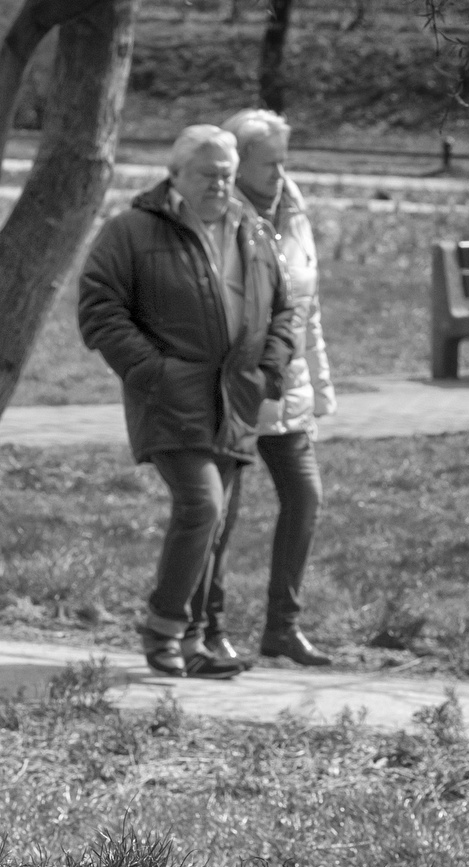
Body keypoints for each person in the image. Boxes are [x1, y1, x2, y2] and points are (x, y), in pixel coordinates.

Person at [78, 126, 295, 678]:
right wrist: (152, 371)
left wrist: (268, 369)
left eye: (226, 174)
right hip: (170, 398)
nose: (219, 185)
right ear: (176, 176)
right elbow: (100, 306)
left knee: (216, 524)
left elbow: (283, 310)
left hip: (237, 397)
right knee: (203, 506)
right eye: (207, 174)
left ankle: (194, 642)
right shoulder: (132, 231)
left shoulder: (254, 231)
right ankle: (163, 627)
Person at [204, 108, 337, 667]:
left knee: (304, 496)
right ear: (238, 165)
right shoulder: (218, 218)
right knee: (218, 511)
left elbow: (306, 309)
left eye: (286, 161)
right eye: (269, 164)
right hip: (234, 384)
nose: (281, 173)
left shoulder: (294, 210)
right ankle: (207, 627)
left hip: (291, 386)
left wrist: (321, 384)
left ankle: (282, 626)